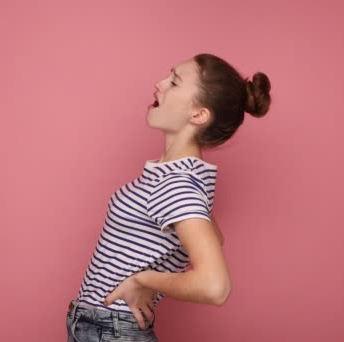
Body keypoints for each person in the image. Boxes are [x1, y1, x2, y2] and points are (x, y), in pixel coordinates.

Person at [66, 53, 272, 341]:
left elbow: (215, 287)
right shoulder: (179, 177)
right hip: (100, 326)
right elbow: (213, 238)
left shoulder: (177, 185)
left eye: (174, 82)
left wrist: (144, 279)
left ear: (198, 114)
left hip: (111, 330)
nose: (159, 83)